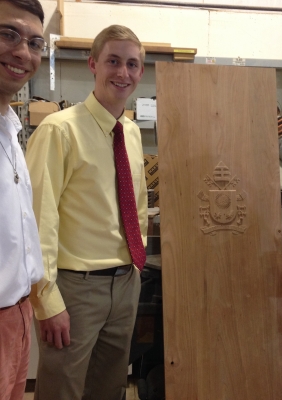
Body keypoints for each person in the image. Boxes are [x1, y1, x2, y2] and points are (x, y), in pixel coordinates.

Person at [26, 25, 148, 400]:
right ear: (93, 64)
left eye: (132, 64)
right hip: (76, 290)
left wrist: (136, 269)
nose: (123, 73)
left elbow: (136, 207)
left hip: (125, 283)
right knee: (62, 390)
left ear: (140, 72)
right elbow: (38, 220)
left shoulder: (130, 131)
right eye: (113, 61)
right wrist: (47, 300)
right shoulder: (59, 131)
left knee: (109, 389)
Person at [0, 0, 45, 399]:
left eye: (34, 42)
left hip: (18, 311)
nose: (23, 52)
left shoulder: (11, 129)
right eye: (7, 34)